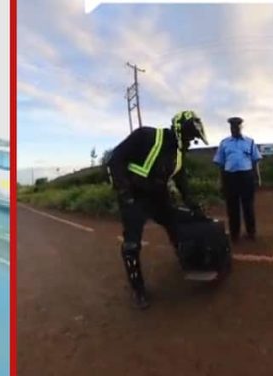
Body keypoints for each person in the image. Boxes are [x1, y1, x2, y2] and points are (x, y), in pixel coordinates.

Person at [104, 110, 209, 310]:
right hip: (134, 196)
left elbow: (182, 183)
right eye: (190, 137)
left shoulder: (179, 156)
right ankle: (138, 289)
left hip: (158, 197)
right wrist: (124, 192)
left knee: (177, 225)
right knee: (132, 244)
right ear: (180, 130)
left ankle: (187, 261)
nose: (190, 142)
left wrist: (193, 205)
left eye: (193, 139)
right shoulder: (147, 136)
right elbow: (115, 159)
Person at [212, 116, 262, 242]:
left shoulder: (249, 142)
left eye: (237, 126)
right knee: (232, 207)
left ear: (241, 127)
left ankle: (251, 233)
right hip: (230, 177)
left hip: (246, 176)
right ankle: (235, 235)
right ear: (230, 128)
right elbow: (221, 164)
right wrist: (220, 181)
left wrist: (258, 178)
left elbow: (255, 161)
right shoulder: (224, 143)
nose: (234, 129)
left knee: (248, 206)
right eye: (232, 127)